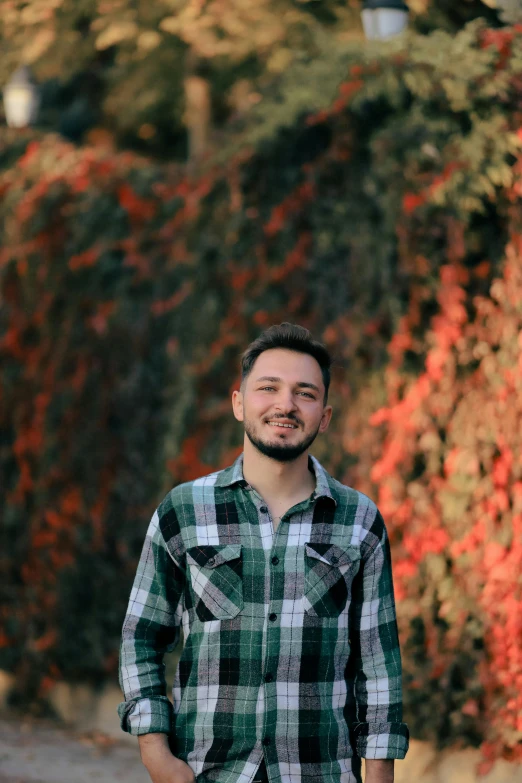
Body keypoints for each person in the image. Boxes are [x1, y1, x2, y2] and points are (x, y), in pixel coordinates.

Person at [118, 323, 409, 783]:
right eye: (268, 387)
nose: (285, 404)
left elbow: (377, 660)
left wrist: (379, 772)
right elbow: (142, 635)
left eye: (305, 393)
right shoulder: (183, 511)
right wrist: (155, 750)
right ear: (239, 402)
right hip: (208, 771)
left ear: (325, 415)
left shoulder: (359, 520)